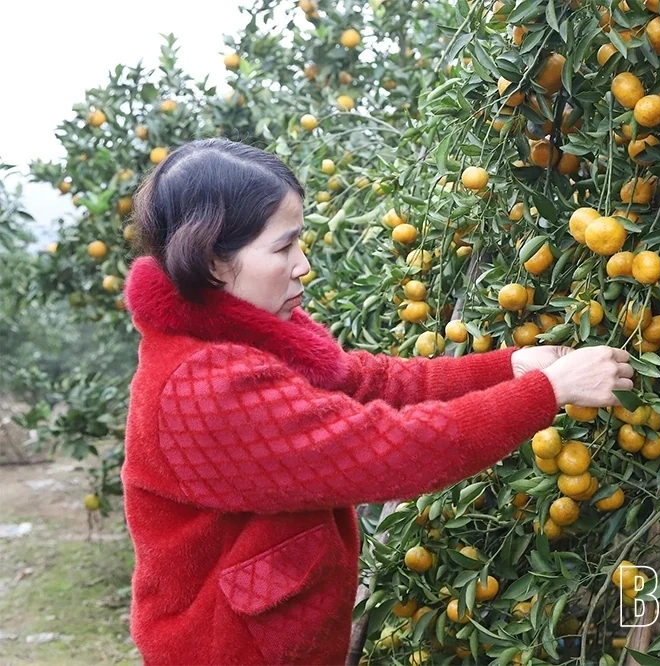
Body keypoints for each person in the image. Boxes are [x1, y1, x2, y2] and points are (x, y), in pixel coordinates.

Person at [120, 138, 633, 665]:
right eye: (283, 248)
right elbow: (391, 449)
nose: (303, 265)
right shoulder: (202, 387)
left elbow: (367, 382)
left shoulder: (248, 333)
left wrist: (507, 367)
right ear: (211, 260)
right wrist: (546, 393)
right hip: (227, 650)